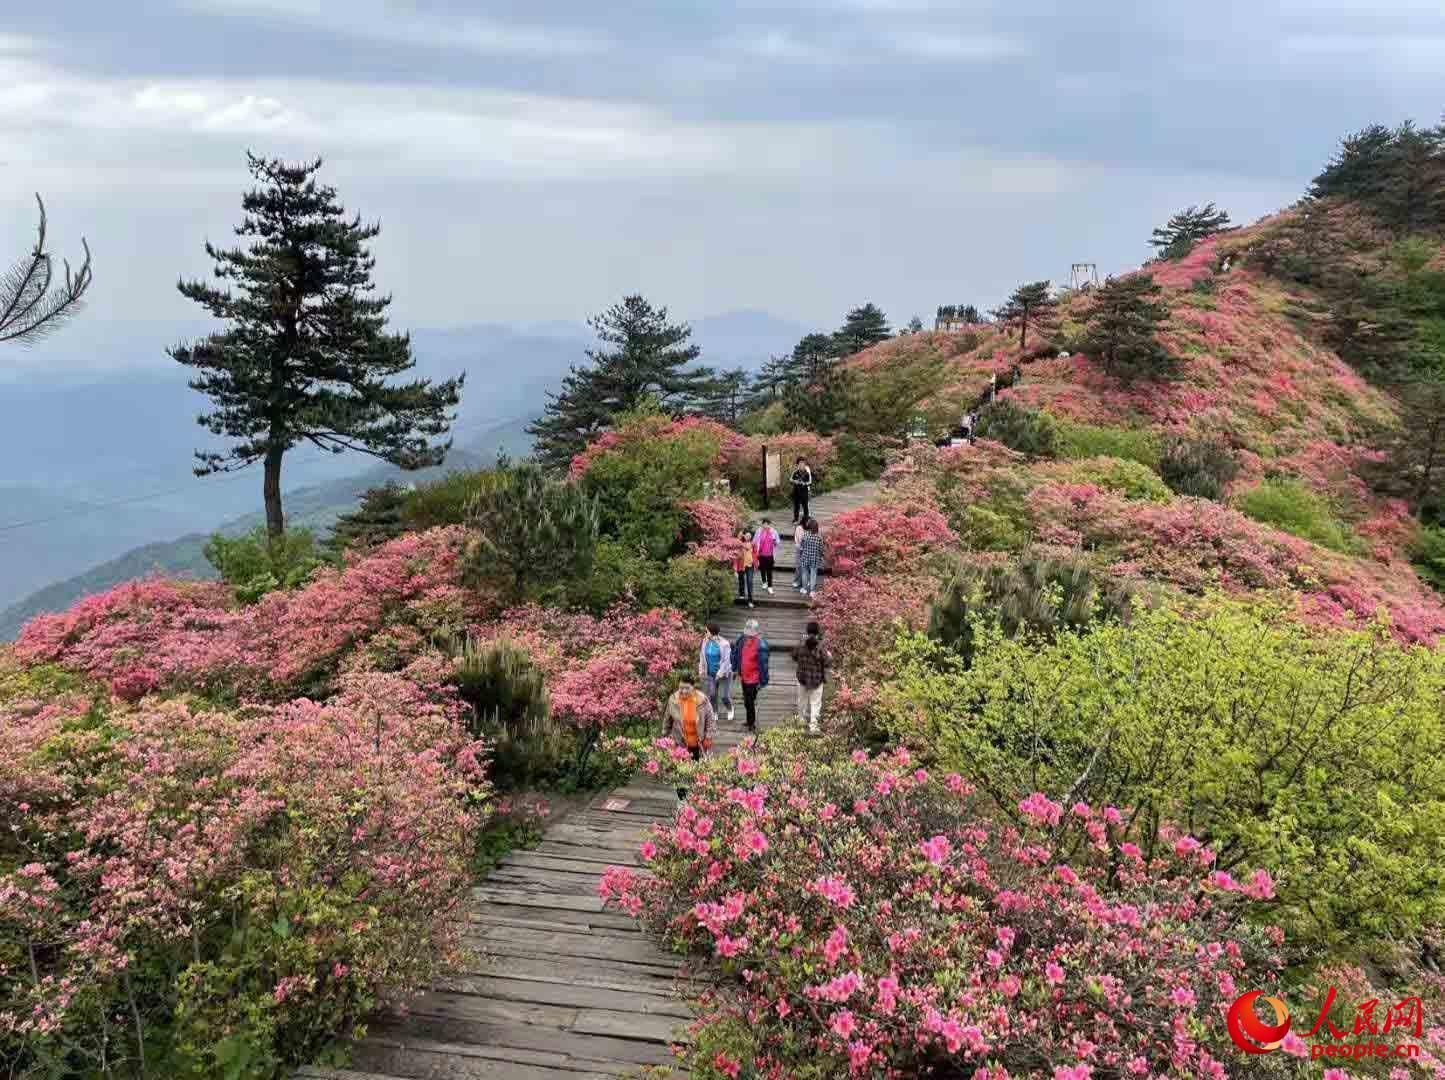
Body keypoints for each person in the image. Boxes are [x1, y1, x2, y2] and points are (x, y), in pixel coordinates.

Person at [662, 677, 716, 800]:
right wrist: (664, 737)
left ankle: (696, 799)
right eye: (681, 688)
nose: (684, 691)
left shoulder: (702, 700)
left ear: (693, 687)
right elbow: (667, 719)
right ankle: (682, 799)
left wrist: (708, 736)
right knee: (680, 773)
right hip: (680, 744)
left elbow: (710, 720)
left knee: (698, 773)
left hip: (698, 744)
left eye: (687, 688)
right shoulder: (673, 700)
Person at [730, 618, 770, 733]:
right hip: (744, 676)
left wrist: (763, 681)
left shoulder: (761, 645)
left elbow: (764, 665)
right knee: (746, 701)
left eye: (751, 635)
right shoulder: (742, 640)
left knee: (749, 701)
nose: (748, 636)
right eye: (747, 634)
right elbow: (736, 654)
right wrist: (734, 669)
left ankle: (751, 723)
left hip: (754, 678)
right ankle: (749, 720)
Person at [793, 631, 832, 734]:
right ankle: (813, 726)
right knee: (815, 703)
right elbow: (827, 663)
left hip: (802, 679)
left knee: (802, 701)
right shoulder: (820, 649)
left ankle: (801, 721)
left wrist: (801, 642)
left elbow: (794, 656)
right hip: (816, 680)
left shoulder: (801, 646)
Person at [697, 622, 734, 723]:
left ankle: (730, 708)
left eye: (706, 631)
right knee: (712, 695)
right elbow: (702, 657)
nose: (705, 633)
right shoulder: (705, 642)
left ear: (712, 632)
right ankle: (715, 712)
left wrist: (720, 673)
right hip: (710, 674)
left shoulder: (724, 644)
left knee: (724, 696)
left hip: (724, 674)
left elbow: (727, 661)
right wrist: (701, 671)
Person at [797, 518, 824, 598]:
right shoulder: (819, 537)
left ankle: (804, 589)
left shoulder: (805, 535)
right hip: (815, 558)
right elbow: (821, 549)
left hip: (805, 557)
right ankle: (812, 591)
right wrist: (821, 557)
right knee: (813, 574)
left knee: (804, 573)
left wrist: (801, 555)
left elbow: (801, 547)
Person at [753, 517, 780, 595]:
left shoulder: (773, 532)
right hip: (760, 553)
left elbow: (778, 542)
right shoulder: (759, 531)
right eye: (764, 524)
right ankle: (764, 582)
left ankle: (770, 586)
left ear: (769, 525)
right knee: (762, 568)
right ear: (762, 524)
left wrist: (775, 542)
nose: (765, 526)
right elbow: (754, 541)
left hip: (770, 554)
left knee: (769, 571)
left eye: (767, 524)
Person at [733, 528, 755, 607]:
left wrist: (755, 563)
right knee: (741, 579)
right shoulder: (739, 544)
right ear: (744, 535)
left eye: (750, 535)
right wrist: (735, 569)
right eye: (746, 535)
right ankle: (741, 593)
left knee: (750, 582)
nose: (748, 537)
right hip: (741, 565)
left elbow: (756, 554)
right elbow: (735, 556)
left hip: (750, 565)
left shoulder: (753, 544)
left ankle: (750, 600)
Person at [790, 458, 813, 524]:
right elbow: (791, 480)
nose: (801, 465)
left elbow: (809, 482)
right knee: (796, 506)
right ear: (797, 465)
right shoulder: (795, 472)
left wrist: (804, 483)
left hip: (804, 492)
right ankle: (796, 519)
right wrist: (795, 481)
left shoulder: (807, 473)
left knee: (805, 506)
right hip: (796, 492)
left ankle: (806, 519)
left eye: (803, 463)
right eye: (800, 464)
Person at [792, 518, 807, 590]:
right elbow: (800, 539)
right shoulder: (799, 528)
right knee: (798, 566)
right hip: (799, 549)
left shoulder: (807, 529)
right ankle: (797, 581)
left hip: (806, 549)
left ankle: (803, 581)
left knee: (805, 566)